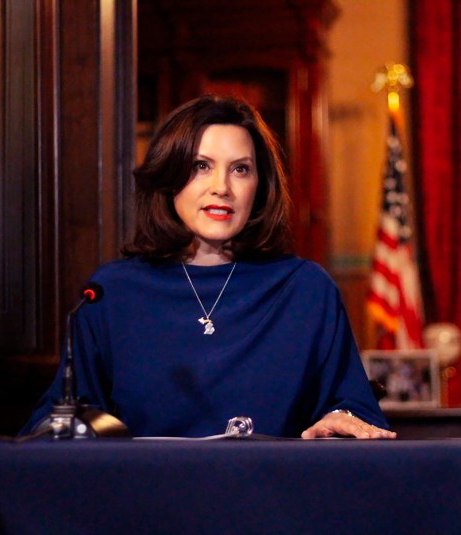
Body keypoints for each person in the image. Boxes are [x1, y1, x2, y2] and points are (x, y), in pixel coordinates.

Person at [24, 94, 396, 440]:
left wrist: (337, 422)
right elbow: (58, 424)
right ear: (169, 178)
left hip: (270, 499)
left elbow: (356, 413)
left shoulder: (306, 290)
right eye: (201, 166)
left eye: (240, 169)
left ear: (260, 186)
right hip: (145, 502)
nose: (221, 187)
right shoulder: (109, 293)